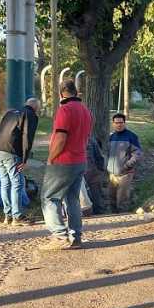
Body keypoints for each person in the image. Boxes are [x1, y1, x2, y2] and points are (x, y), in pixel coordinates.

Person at [40, 81, 92, 250]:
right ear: (76, 92)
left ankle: (60, 236)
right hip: (80, 160)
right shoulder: (85, 111)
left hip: (64, 161)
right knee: (72, 199)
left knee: (50, 198)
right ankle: (75, 237)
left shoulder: (65, 110)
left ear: (61, 93)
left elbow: (61, 138)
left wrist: (51, 157)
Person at [0, 97, 40, 225]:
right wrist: (24, 159)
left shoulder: (11, 113)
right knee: (17, 183)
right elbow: (27, 137)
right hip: (10, 151)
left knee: (5, 183)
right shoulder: (30, 115)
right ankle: (17, 216)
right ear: (36, 108)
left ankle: (7, 216)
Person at [106, 113, 142, 213]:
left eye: (121, 122)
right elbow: (107, 153)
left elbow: (138, 154)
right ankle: (113, 219)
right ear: (113, 123)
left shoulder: (131, 136)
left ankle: (124, 218)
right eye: (116, 123)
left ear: (124, 123)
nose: (119, 125)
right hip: (112, 174)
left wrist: (127, 165)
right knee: (111, 198)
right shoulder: (111, 137)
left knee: (122, 199)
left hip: (126, 174)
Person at [84, 135, 106, 215]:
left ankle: (100, 216)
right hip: (77, 175)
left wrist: (99, 171)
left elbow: (99, 157)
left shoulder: (91, 140)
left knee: (97, 198)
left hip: (93, 174)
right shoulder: (69, 139)